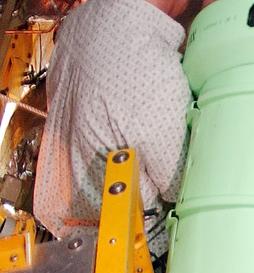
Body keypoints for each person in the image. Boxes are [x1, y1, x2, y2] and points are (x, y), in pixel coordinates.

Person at [33, 0, 201, 259]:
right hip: (131, 261)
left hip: (71, 245)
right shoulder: (154, 72)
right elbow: (182, 187)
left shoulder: (79, 20)